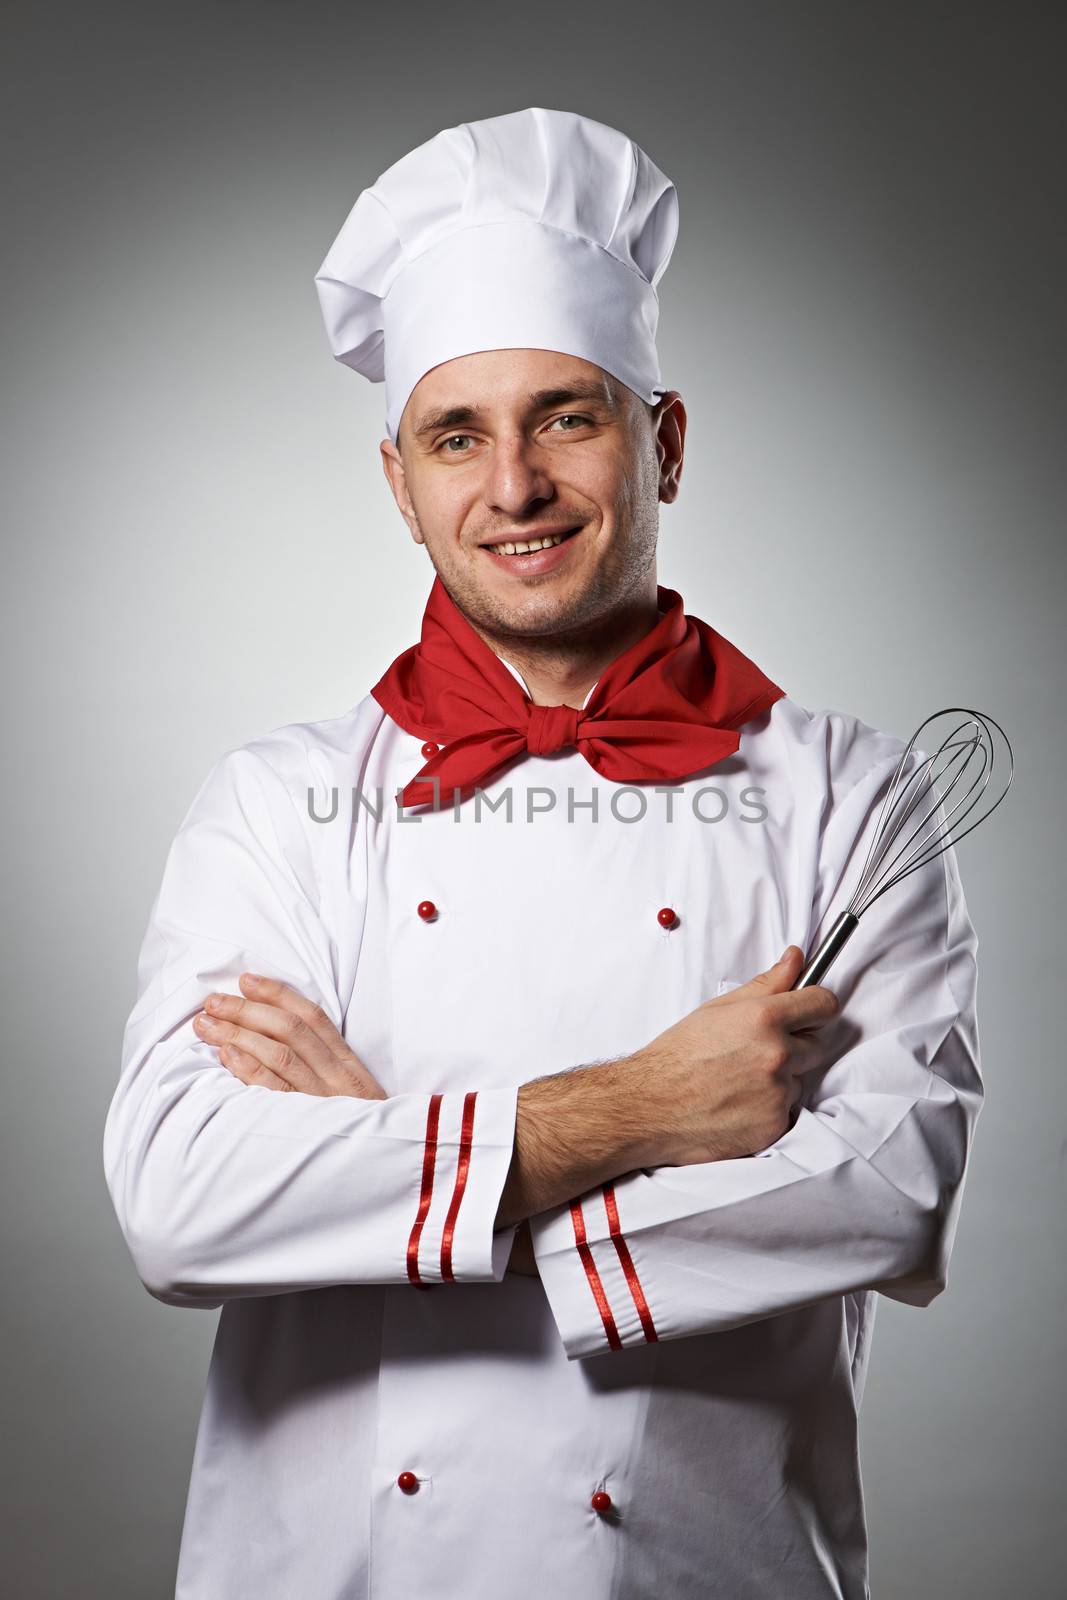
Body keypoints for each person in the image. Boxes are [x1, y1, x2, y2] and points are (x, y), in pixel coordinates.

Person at [103, 107, 982, 1599]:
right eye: (459, 436)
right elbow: (181, 1201)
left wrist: (391, 1175)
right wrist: (648, 1106)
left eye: (566, 417)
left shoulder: (851, 795)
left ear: (669, 441)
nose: (512, 487)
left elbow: (889, 1190)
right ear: (403, 482)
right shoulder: (278, 802)